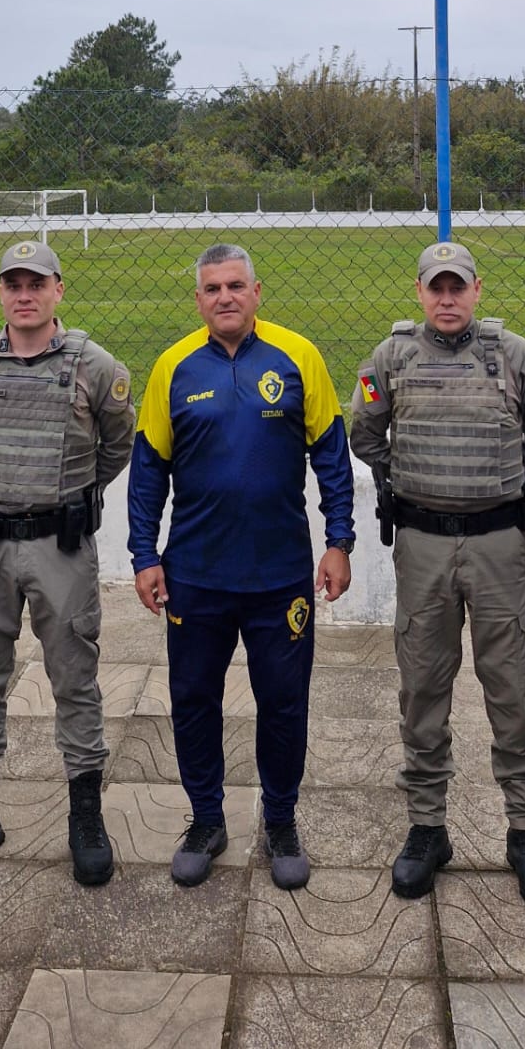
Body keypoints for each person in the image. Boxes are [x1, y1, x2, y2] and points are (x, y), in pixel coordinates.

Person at [126, 243, 355, 890]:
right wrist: (145, 556)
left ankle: (280, 822)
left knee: (283, 704)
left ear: (258, 292)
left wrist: (339, 541)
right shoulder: (173, 367)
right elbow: (148, 473)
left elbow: (332, 459)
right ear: (197, 301)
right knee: (193, 701)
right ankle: (206, 820)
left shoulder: (298, 357)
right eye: (212, 288)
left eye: (236, 285)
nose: (225, 296)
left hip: (280, 577)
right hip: (195, 575)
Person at [349, 240, 525, 906]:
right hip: (421, 546)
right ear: (419, 292)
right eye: (436, 288)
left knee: (512, 689)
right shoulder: (391, 358)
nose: (447, 299)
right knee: (422, 688)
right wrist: (409, 485)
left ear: (476, 291)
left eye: (458, 288)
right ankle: (426, 829)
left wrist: (497, 485)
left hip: (498, 542)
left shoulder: (514, 355)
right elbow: (364, 435)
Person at [0, 240, 135, 887]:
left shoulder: (95, 367)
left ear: (57, 290)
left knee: (74, 677)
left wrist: (67, 497)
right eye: (13, 283)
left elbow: (116, 444)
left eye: (36, 283)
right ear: (1, 292)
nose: (24, 294)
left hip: (58, 544)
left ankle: (85, 817)